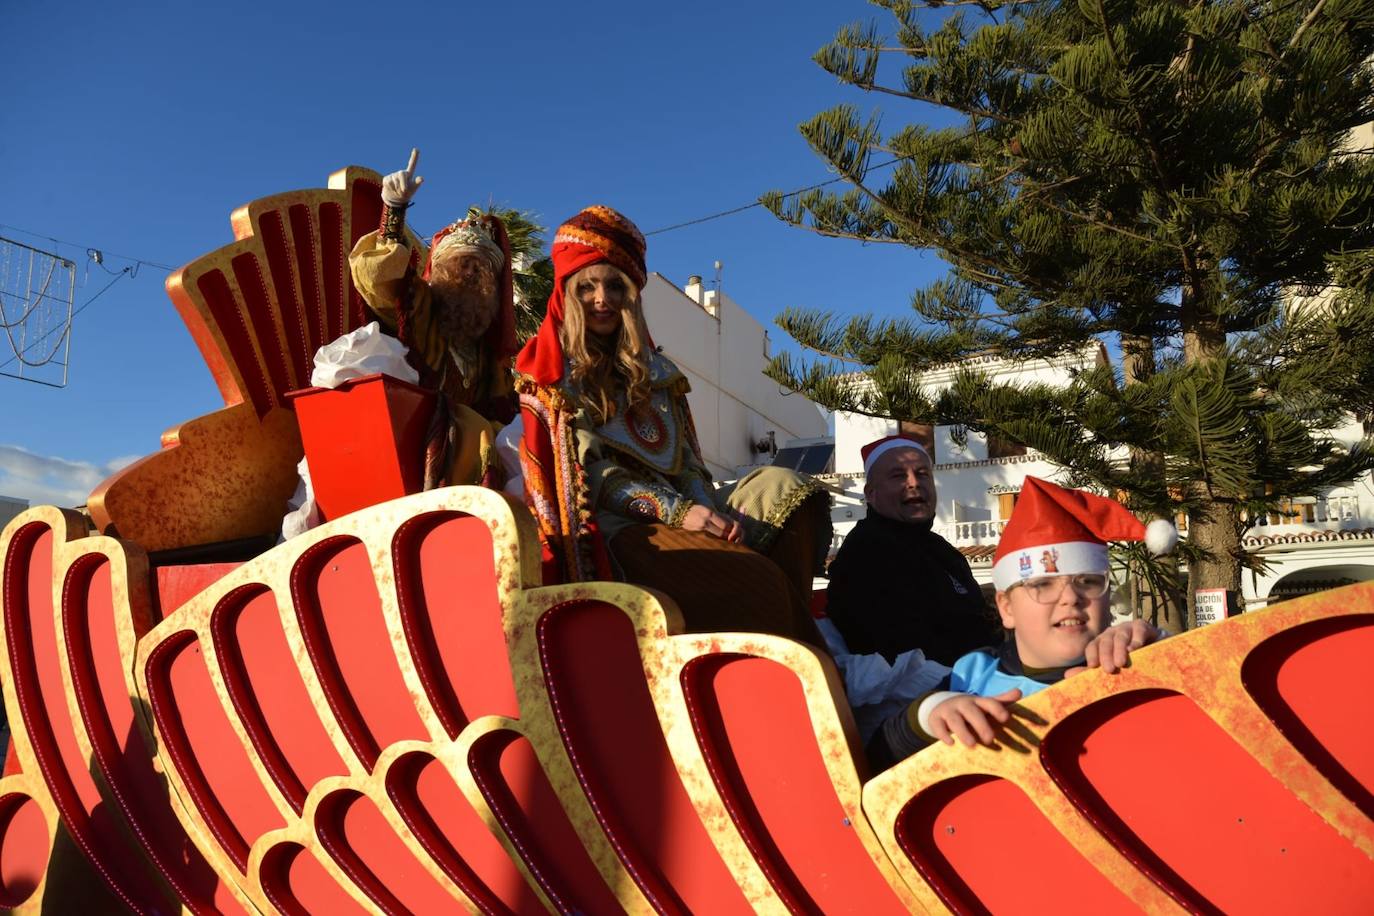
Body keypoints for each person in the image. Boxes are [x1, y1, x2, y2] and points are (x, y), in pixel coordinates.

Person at [515, 205, 831, 646]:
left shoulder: (659, 372)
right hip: (619, 528)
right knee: (751, 576)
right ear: (568, 292)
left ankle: (788, 639)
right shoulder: (552, 371)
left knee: (793, 491)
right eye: (587, 286)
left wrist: (708, 512)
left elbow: (689, 464)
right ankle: (805, 660)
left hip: (688, 509)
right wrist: (680, 514)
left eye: (614, 285)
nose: (602, 299)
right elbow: (591, 477)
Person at [868, 476, 1176, 767]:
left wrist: (1161, 653)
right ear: (1007, 608)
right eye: (1042, 584)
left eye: (1088, 581)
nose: (1071, 597)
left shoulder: (1130, 662)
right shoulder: (970, 676)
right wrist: (928, 715)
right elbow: (876, 760)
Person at [349, 148, 520, 487]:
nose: (468, 275)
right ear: (439, 272)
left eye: (479, 270)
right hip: (410, 447)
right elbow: (378, 280)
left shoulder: (488, 354)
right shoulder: (419, 309)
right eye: (460, 266)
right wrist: (393, 210)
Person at [825, 435, 1002, 667]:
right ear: (871, 493)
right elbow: (895, 656)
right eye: (898, 476)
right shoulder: (864, 554)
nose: (914, 483)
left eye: (922, 473)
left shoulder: (944, 550)